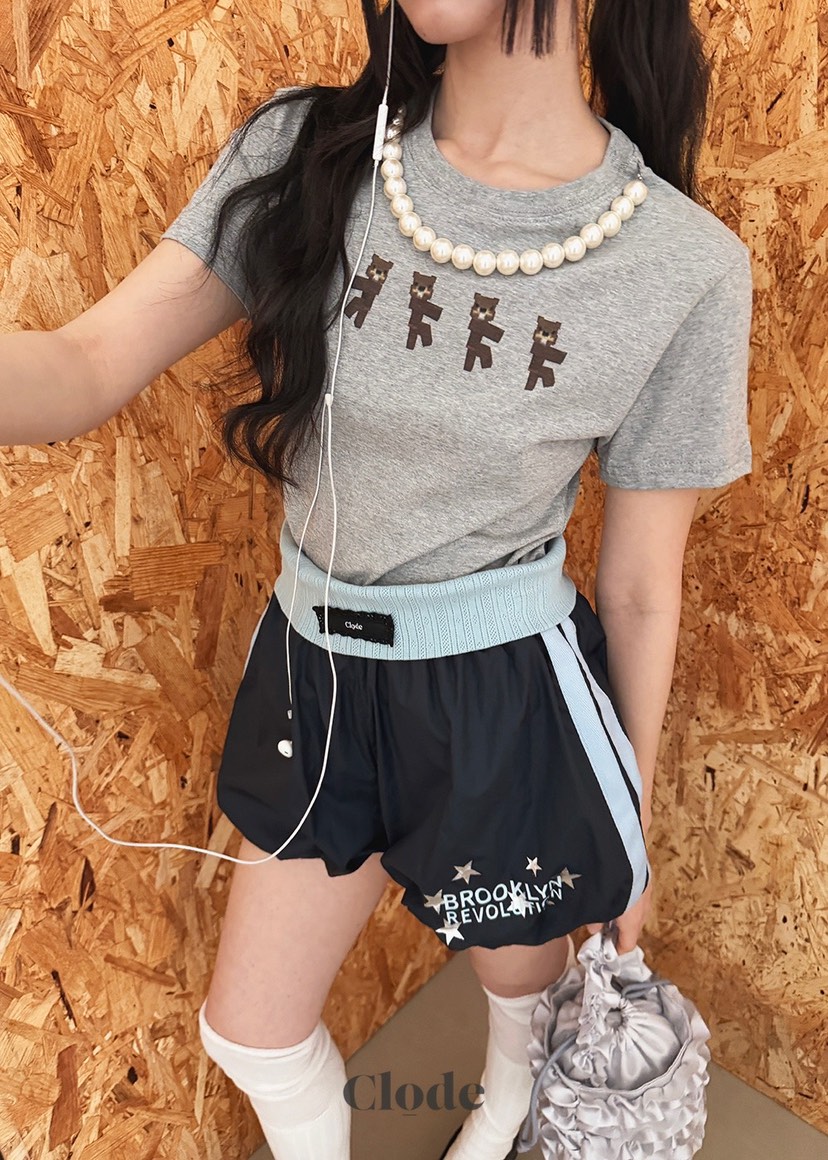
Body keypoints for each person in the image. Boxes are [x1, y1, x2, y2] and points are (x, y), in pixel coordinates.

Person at [0, 1, 754, 1158]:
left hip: (506, 701)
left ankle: (503, 1114)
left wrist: (630, 827)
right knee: (251, 1030)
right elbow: (87, 360)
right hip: (317, 672)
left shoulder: (683, 264)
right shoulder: (309, 153)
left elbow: (644, 587)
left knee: (528, 1013)